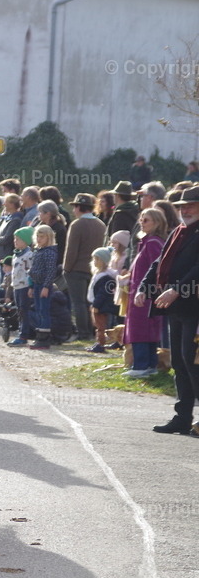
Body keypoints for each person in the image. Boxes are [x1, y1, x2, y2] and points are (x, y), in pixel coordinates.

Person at [137, 185, 199, 435]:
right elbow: (159, 261)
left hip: (193, 304)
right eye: (182, 206)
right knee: (179, 362)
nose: (185, 210)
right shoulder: (179, 230)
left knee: (191, 360)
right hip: (177, 306)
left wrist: (176, 289)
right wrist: (144, 286)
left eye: (191, 205)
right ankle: (182, 418)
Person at [121, 208, 168, 374]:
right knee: (144, 328)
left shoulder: (154, 243)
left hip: (146, 294)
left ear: (157, 223)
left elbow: (157, 269)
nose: (142, 222)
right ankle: (149, 365)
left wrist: (146, 290)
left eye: (146, 220)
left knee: (141, 328)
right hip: (140, 291)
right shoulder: (148, 241)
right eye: (141, 219)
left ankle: (142, 365)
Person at [63, 193, 107, 341]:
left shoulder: (76, 224)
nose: (74, 210)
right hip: (95, 269)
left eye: (75, 207)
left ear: (78, 207)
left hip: (76, 269)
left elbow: (71, 250)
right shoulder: (101, 224)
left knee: (79, 302)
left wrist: (66, 268)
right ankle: (93, 330)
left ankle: (83, 333)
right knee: (90, 302)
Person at [28, 224, 59, 349]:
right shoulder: (37, 251)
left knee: (44, 311)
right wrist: (31, 286)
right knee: (38, 310)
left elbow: (51, 270)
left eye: (42, 237)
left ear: (49, 238)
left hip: (43, 285)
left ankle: (44, 338)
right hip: (36, 284)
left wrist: (46, 286)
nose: (39, 239)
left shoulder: (50, 252)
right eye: (38, 236)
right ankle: (39, 335)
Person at [85, 247, 118, 353]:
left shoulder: (105, 277)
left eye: (97, 259)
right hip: (95, 303)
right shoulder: (98, 274)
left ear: (104, 261)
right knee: (97, 324)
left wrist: (96, 305)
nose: (95, 261)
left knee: (100, 326)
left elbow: (102, 294)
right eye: (94, 259)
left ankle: (101, 343)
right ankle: (99, 342)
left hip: (100, 305)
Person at [7, 226, 35, 346]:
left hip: (25, 286)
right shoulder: (15, 255)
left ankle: (24, 335)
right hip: (17, 286)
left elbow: (31, 271)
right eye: (14, 239)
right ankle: (21, 331)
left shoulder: (29, 255)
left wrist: (31, 286)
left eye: (18, 239)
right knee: (19, 311)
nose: (15, 241)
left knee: (24, 310)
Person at [0, 194, 23, 282]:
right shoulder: (7, 217)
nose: (4, 204)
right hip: (0, 255)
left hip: (6, 255)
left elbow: (7, 238)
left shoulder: (16, 219)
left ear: (12, 204)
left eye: (6, 202)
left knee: (4, 282)